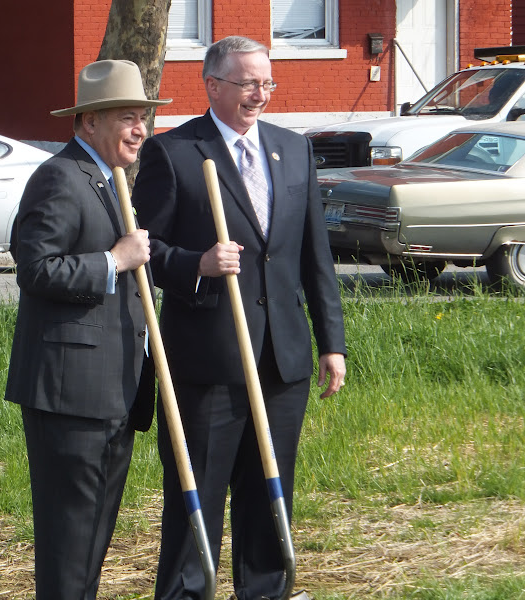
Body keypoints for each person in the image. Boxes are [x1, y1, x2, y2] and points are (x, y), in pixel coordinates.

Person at [132, 36, 347, 600]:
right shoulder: (176, 152)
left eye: (267, 83)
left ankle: (266, 590)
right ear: (212, 85)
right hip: (208, 361)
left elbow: (312, 255)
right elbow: (143, 253)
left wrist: (332, 342)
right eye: (249, 82)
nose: (260, 94)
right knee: (196, 494)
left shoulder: (291, 148)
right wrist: (197, 263)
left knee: (270, 492)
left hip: (282, 357)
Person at [4, 59, 171, 600]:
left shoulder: (111, 179)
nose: (140, 129)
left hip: (115, 388)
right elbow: (34, 269)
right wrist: (114, 260)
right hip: (70, 392)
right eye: (127, 117)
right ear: (89, 122)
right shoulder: (60, 176)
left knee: (95, 531)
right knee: (69, 535)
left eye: (142, 117)